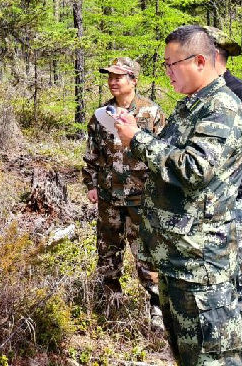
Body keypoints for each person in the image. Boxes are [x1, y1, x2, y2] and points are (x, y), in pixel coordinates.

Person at [114, 26, 242, 366]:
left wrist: (137, 139)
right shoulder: (191, 106)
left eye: (173, 64)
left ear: (200, 61)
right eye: (165, 64)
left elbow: (193, 168)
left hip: (201, 266)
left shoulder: (221, 108)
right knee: (187, 356)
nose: (168, 72)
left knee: (212, 359)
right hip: (177, 261)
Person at [82, 57, 166, 329]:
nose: (113, 81)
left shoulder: (151, 113)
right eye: (110, 77)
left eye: (119, 77)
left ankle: (157, 308)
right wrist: (91, 184)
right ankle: (110, 303)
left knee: (147, 254)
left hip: (142, 199)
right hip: (109, 197)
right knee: (107, 251)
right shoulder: (101, 115)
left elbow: (164, 155)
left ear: (134, 80)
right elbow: (92, 153)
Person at [203, 26, 242, 366]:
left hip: (235, 204)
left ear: (213, 56)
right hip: (209, 205)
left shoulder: (241, 92)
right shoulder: (201, 97)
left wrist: (211, 147)